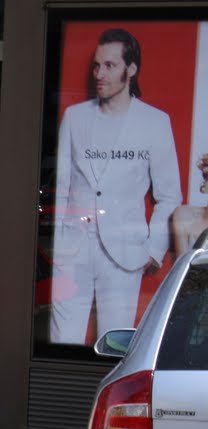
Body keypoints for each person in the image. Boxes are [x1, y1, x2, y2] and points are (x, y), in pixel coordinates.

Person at [50, 28, 182, 345]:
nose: (99, 73)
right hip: (73, 251)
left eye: (109, 65)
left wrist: (153, 249)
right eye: (97, 65)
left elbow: (169, 194)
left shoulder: (155, 122)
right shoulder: (75, 117)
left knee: (114, 347)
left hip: (125, 253)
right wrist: (57, 242)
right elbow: (62, 185)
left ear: (131, 69)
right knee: (61, 342)